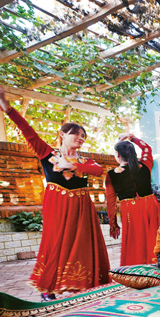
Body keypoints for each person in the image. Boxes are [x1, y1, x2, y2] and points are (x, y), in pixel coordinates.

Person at [0, 88, 110, 300]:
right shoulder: (47, 154)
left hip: (81, 208)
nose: (80, 138)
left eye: (83, 136)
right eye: (76, 133)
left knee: (83, 244)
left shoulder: (85, 161)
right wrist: (7, 108)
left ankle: (85, 284)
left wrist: (73, 165)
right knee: (55, 243)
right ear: (62, 134)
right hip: (57, 206)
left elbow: (98, 170)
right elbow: (27, 131)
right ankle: (47, 287)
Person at [105, 133, 160, 266]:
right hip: (150, 205)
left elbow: (111, 202)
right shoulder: (145, 165)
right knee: (155, 237)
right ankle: (159, 265)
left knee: (135, 241)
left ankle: (136, 268)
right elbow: (147, 148)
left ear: (117, 154)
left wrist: (113, 224)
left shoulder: (111, 175)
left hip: (130, 209)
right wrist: (131, 137)